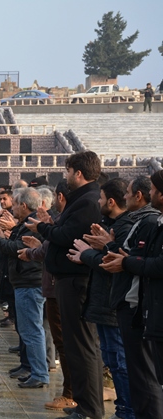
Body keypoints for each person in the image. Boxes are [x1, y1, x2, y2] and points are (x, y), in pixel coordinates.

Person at [26, 150, 104, 419]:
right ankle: (84, 405)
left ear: (78, 173)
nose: (66, 176)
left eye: (68, 171)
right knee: (75, 345)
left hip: (76, 281)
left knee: (81, 347)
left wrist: (44, 229)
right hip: (66, 280)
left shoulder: (87, 201)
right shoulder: (82, 199)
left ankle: (88, 407)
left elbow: (67, 235)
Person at [68, 178, 135, 419]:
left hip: (114, 302)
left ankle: (127, 410)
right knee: (112, 359)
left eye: (101, 198)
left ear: (111, 201)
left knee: (120, 360)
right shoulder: (108, 223)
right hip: (103, 301)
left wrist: (92, 253)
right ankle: (123, 408)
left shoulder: (127, 226)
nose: (98, 202)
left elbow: (118, 262)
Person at [99, 174, 163, 419]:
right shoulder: (146, 221)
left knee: (143, 374)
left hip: (141, 305)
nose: (125, 197)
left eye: (156, 189)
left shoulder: (148, 221)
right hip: (144, 306)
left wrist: (122, 259)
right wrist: (113, 249)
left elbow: (153, 263)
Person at [0, 188, 49, 388]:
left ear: (24, 205)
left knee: (32, 330)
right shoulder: (25, 223)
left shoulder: (32, 224)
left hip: (30, 281)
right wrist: (2, 235)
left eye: (15, 203)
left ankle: (39, 372)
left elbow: (19, 248)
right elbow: (15, 243)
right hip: (23, 280)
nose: (12, 207)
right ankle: (32, 368)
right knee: (27, 328)